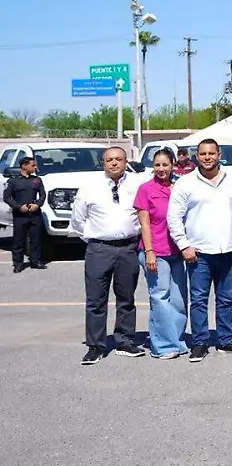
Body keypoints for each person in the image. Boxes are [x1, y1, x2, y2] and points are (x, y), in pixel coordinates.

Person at [167, 138, 232, 363]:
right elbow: (173, 217)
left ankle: (225, 339)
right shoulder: (185, 183)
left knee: (226, 299)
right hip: (198, 253)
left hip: (228, 250)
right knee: (199, 299)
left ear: (219, 154)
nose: (207, 157)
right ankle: (200, 342)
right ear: (196, 157)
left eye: (211, 153)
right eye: (202, 154)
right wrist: (184, 245)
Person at [70, 147, 143, 364]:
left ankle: (125, 340)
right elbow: (78, 220)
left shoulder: (137, 183)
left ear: (126, 161)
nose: (114, 163)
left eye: (118, 159)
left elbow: (142, 214)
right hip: (99, 249)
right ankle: (95, 346)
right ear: (103, 163)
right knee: (95, 300)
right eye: (109, 160)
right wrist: (97, 240)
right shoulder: (90, 187)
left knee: (126, 299)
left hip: (128, 249)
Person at [133, 149, 187, 359]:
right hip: (156, 250)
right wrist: (149, 252)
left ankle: (177, 340)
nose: (161, 169)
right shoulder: (145, 189)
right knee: (160, 298)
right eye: (157, 165)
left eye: (165, 164)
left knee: (178, 299)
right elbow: (144, 223)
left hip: (178, 251)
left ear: (173, 164)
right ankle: (162, 345)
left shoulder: (181, 187)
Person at [3, 156, 46, 272]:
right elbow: (7, 197)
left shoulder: (37, 180)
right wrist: (18, 207)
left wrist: (37, 204)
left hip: (34, 214)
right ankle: (18, 263)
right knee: (18, 240)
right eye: (33, 165)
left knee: (36, 239)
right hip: (20, 215)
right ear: (24, 166)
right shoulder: (13, 181)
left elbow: (42, 195)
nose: (35, 167)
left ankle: (35, 261)